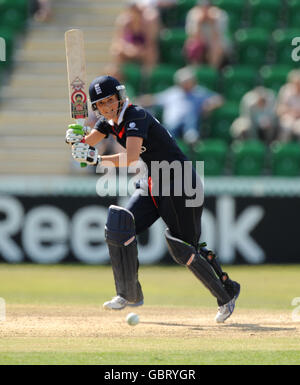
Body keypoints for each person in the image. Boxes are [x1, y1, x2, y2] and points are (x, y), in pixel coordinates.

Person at [65, 75, 240, 323]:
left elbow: (132, 157)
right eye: (101, 104)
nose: (107, 107)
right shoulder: (108, 122)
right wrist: (74, 139)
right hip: (153, 182)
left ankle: (226, 294)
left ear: (120, 97)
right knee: (119, 224)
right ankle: (128, 293)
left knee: (183, 247)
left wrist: (97, 159)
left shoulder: (136, 115)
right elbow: (85, 145)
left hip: (180, 182)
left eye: (110, 100)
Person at [138, 66, 224, 144]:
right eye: (184, 82)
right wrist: (139, 101)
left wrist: (209, 105)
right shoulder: (172, 93)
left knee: (190, 114)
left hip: (190, 125)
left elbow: (219, 99)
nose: (186, 84)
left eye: (188, 81)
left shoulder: (199, 92)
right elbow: (154, 99)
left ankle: (191, 139)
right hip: (171, 125)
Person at [110, 0, 160, 73]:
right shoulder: (124, 22)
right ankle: (118, 74)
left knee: (151, 52)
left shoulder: (147, 23)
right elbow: (118, 40)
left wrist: (139, 50)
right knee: (116, 50)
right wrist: (129, 48)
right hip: (129, 49)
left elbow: (150, 41)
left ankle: (147, 77)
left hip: (143, 49)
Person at [184, 0, 231, 69]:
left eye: (207, 6)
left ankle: (211, 73)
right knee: (194, 46)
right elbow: (193, 37)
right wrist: (199, 24)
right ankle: (195, 72)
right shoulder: (192, 14)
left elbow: (217, 38)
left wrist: (212, 24)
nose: (205, 8)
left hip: (217, 44)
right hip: (201, 43)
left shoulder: (220, 15)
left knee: (216, 47)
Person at [276, 70, 300, 142]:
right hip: (288, 117)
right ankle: (283, 148)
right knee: (287, 126)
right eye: (296, 83)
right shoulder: (285, 91)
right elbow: (279, 109)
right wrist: (291, 112)